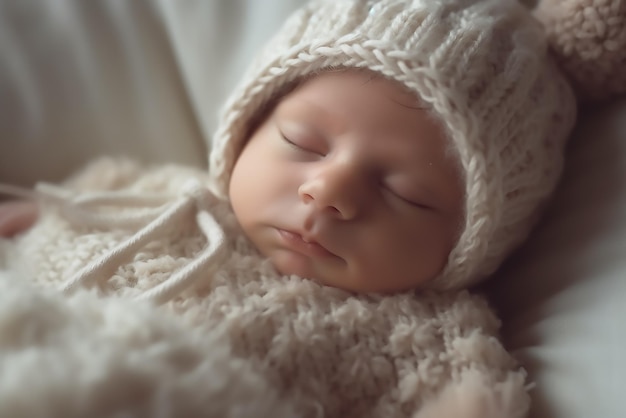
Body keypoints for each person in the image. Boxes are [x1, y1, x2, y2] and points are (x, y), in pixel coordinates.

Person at [0, 0, 577, 416]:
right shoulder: (167, 194)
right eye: (303, 142)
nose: (329, 191)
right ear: (247, 130)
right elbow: (77, 202)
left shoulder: (421, 334)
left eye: (408, 194)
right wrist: (32, 220)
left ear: (465, 249)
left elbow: (474, 393)